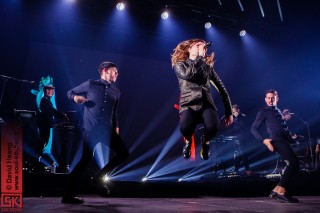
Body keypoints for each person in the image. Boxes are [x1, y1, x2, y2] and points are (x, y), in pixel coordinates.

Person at [61, 61, 129, 204]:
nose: (117, 73)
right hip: (91, 129)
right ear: (105, 71)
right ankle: (68, 195)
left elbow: (114, 112)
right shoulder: (91, 84)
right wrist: (76, 98)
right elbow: (70, 92)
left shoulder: (116, 91)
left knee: (124, 153)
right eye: (114, 71)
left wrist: (116, 128)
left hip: (107, 129)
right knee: (85, 160)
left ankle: (99, 176)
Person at [171, 38, 233, 160]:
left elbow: (222, 90)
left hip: (206, 104)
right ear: (189, 49)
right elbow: (188, 74)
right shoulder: (179, 64)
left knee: (213, 127)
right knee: (185, 127)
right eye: (198, 45)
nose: (201, 48)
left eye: (203, 46)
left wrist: (229, 112)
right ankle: (188, 141)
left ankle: (205, 141)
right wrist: (199, 58)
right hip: (188, 104)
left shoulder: (208, 68)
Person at [251, 89, 300, 203]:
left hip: (283, 140)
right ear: (265, 99)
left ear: (277, 98)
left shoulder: (277, 110)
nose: (270, 100)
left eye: (272, 98)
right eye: (268, 98)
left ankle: (276, 190)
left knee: (293, 164)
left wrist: (291, 138)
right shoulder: (263, 111)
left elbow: (280, 127)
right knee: (294, 164)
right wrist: (264, 140)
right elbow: (253, 129)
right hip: (277, 140)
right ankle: (280, 191)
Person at [37, 84, 68, 164]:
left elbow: (52, 111)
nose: (53, 92)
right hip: (44, 126)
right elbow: (52, 111)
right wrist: (62, 116)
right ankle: (36, 162)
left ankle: (37, 161)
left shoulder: (47, 101)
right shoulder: (44, 100)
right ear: (47, 91)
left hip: (46, 125)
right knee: (42, 143)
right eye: (52, 90)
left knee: (43, 143)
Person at [224, 104, 250, 173]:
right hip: (236, 139)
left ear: (238, 110)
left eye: (234, 112)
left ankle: (247, 169)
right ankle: (236, 169)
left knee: (243, 154)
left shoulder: (243, 117)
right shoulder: (234, 118)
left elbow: (241, 127)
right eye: (232, 112)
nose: (233, 113)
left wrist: (232, 131)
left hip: (242, 139)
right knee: (236, 155)